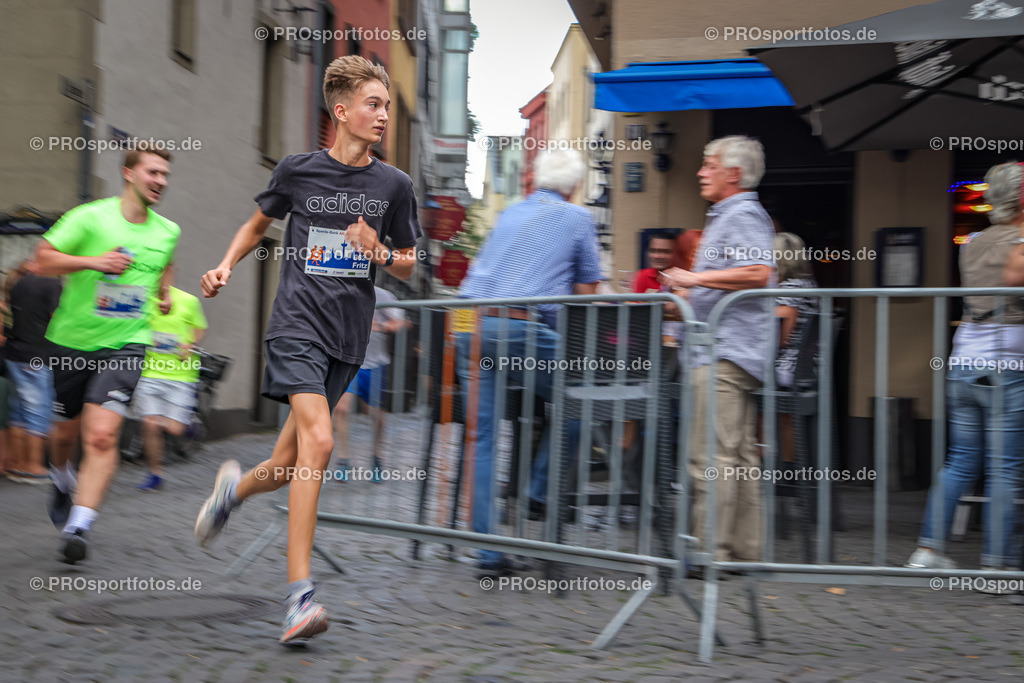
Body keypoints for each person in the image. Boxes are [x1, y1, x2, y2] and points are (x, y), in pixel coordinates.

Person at [193, 55, 420, 644]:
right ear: (340, 111)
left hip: (348, 337)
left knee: (287, 464)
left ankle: (232, 491)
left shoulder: (394, 186)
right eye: (374, 104)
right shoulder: (298, 171)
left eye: (389, 106)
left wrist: (377, 249)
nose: (383, 115)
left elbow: (410, 263)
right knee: (319, 440)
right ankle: (299, 598)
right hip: (296, 326)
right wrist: (223, 265)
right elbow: (256, 225)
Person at [457, 148, 603, 574]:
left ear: (536, 180)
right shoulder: (578, 218)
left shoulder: (510, 214)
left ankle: (487, 553)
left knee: (480, 438)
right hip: (518, 326)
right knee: (582, 396)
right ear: (574, 186)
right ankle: (539, 489)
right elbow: (588, 296)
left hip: (468, 323)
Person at [33, 142, 178, 563]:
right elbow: (42, 260)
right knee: (63, 434)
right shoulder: (89, 218)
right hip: (72, 342)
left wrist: (165, 292)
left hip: (127, 344)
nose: (161, 181)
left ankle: (79, 527)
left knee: (101, 434)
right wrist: (94, 262)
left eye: (165, 175)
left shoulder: (167, 230)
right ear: (129, 173)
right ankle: (61, 478)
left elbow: (165, 261)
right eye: (153, 172)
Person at [661, 135, 775, 564]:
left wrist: (692, 282)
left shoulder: (741, 212)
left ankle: (709, 553)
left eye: (708, 165)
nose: (699, 171)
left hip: (723, 353)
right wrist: (692, 297)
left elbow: (758, 272)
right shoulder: (738, 213)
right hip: (734, 351)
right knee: (739, 455)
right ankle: (743, 551)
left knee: (709, 455)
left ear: (733, 174)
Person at [907, 161, 1024, 578]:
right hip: (1007, 364)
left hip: (963, 361)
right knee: (1005, 467)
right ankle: (997, 565)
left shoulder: (970, 242)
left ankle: (928, 548)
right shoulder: (1021, 242)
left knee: (960, 461)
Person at [132, 284, 208, 490]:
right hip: (151, 371)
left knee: (175, 429)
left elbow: (200, 327)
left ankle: (188, 425)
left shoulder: (188, 300)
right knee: (150, 424)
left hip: (182, 374)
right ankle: (155, 474)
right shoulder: (142, 299)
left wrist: (189, 344)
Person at [331, 285, 407, 483]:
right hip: (349, 361)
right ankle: (343, 461)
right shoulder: (340, 292)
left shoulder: (381, 294)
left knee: (375, 417)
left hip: (375, 365)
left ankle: (376, 456)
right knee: (340, 408)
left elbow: (402, 323)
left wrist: (379, 326)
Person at [3, 259, 62, 484]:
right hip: (36, 355)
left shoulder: (19, 282)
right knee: (38, 411)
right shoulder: (51, 284)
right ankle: (34, 466)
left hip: (15, 354)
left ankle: (17, 465)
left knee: (19, 411)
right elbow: (58, 319)